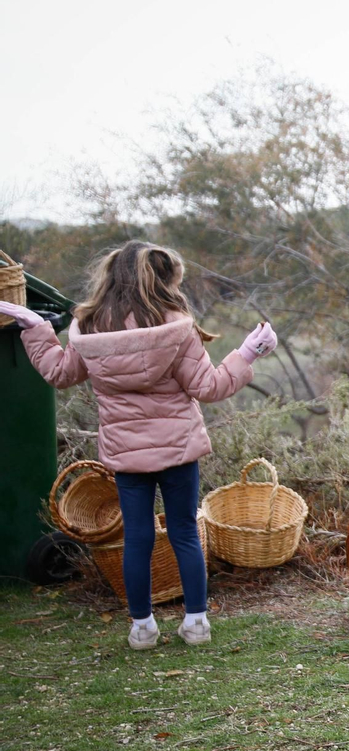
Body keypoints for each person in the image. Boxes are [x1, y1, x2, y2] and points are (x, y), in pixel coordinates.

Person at [0, 241, 276, 649]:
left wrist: (35, 326)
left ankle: (142, 627)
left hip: (127, 455)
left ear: (110, 277)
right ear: (163, 280)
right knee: (184, 531)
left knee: (138, 537)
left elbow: (59, 373)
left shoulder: (90, 327)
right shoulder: (175, 327)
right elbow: (209, 386)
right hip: (178, 450)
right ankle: (196, 622)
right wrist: (248, 353)